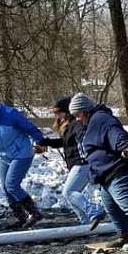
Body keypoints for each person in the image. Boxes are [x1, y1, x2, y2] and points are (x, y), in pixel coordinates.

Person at [70, 92, 128, 254]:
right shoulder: (91, 123)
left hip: (121, 168)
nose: (76, 119)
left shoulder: (101, 120)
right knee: (110, 203)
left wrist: (125, 147)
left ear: (83, 112)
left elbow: (116, 134)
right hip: (108, 172)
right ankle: (124, 235)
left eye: (76, 115)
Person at [0, 94, 49, 229]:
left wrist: (40, 141)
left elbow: (28, 127)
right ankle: (21, 218)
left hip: (22, 153)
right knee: (6, 188)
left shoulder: (10, 114)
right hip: (4, 156)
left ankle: (34, 213)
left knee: (12, 184)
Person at [43, 97, 107, 227]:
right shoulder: (68, 126)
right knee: (70, 195)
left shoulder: (76, 124)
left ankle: (94, 211)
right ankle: (85, 224)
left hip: (82, 163)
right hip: (77, 163)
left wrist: (85, 148)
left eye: (58, 112)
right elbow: (65, 143)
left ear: (66, 112)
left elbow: (82, 136)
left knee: (69, 192)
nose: (56, 116)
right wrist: (47, 142)